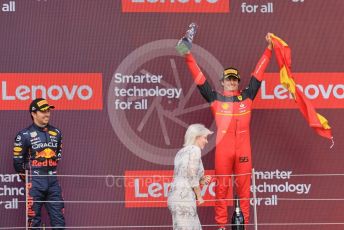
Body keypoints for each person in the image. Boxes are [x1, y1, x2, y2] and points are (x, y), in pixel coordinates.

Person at [182, 33, 273, 229]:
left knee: (244, 191)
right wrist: (187, 54)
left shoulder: (247, 97)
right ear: (222, 82)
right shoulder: (215, 98)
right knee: (221, 190)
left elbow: (258, 74)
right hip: (224, 151)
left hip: (243, 151)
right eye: (228, 79)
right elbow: (199, 78)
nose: (231, 82)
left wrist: (269, 49)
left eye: (234, 79)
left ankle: (245, 226)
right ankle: (222, 227)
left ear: (238, 82)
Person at [13, 98, 65, 229]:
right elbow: (18, 162)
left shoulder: (57, 132)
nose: (47, 114)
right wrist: (30, 178)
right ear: (33, 113)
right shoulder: (24, 134)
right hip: (34, 182)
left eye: (48, 110)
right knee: (33, 221)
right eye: (43, 111)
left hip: (53, 181)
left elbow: (57, 155)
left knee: (59, 220)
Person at [167, 124, 213, 230]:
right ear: (197, 137)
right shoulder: (195, 150)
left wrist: (202, 180)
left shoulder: (180, 152)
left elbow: (184, 174)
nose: (206, 141)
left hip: (175, 196)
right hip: (184, 197)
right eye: (205, 138)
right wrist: (199, 196)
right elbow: (191, 174)